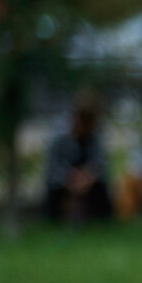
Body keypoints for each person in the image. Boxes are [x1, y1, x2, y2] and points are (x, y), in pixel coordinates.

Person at [43, 94, 114, 224]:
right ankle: (52, 219)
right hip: (64, 179)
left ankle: (102, 220)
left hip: (87, 179)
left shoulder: (95, 136)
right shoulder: (60, 134)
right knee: (53, 189)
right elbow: (53, 165)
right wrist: (69, 177)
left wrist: (88, 176)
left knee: (102, 188)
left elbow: (100, 162)